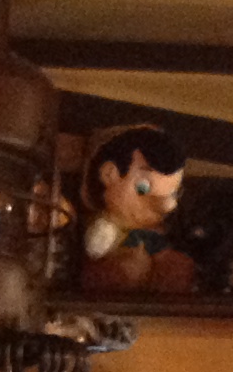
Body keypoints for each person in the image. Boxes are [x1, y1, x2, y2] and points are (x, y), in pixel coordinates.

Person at [81, 124, 196, 294]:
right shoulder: (107, 227)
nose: (167, 206)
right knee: (128, 270)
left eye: (173, 194)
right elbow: (95, 250)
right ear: (109, 174)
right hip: (111, 282)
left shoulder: (153, 232)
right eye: (143, 188)